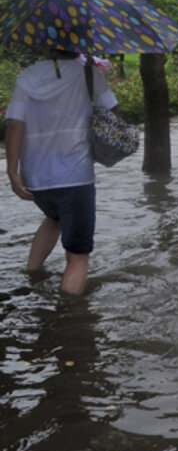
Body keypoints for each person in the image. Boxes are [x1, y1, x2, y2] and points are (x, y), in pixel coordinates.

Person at [5, 49, 117, 295]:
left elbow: (14, 124)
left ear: (45, 45)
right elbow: (111, 112)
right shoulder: (89, 73)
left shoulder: (28, 76)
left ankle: (32, 275)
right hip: (75, 176)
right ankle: (67, 312)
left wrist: (12, 172)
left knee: (54, 218)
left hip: (36, 178)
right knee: (78, 255)